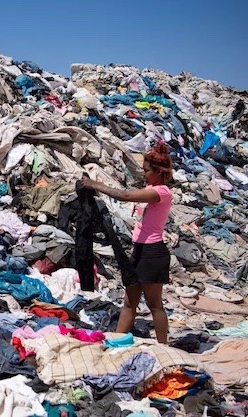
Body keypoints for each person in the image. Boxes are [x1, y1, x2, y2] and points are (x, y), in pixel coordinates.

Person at [79, 141, 173, 343]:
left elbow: (125, 196)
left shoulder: (162, 192)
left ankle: (164, 346)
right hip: (139, 251)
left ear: (158, 171)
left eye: (147, 171)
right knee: (129, 302)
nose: (144, 174)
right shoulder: (151, 188)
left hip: (153, 252)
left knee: (154, 303)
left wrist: (95, 184)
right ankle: (115, 341)